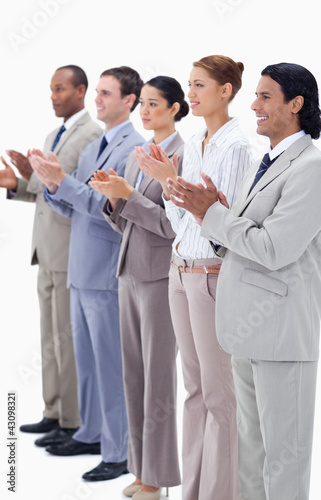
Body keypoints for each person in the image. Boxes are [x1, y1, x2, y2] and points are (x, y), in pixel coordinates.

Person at [164, 62, 321, 500]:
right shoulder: (270, 161)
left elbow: (275, 249)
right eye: (254, 95)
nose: (254, 105)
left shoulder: (314, 169)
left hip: (281, 338)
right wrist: (214, 217)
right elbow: (239, 241)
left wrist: (211, 214)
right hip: (245, 334)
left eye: (265, 97)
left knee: (284, 463)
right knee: (251, 460)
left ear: (295, 105)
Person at [135, 56, 253, 500]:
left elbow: (224, 223)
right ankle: (194, 491)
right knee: (194, 392)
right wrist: (169, 184)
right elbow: (180, 219)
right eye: (189, 85)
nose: (192, 93)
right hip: (179, 273)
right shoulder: (198, 143)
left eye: (200, 85)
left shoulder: (238, 146)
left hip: (212, 275)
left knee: (221, 398)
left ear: (226, 90)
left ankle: (220, 494)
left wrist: (171, 182)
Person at [29, 66, 145, 482]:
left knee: (111, 366)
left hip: (106, 273)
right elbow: (75, 202)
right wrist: (52, 183)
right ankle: (91, 433)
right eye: (96, 92)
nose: (98, 100)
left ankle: (119, 452)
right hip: (80, 269)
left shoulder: (135, 149)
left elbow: (107, 209)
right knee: (88, 364)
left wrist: (67, 185)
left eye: (107, 94)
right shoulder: (97, 144)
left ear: (129, 101)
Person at [89, 75, 188, 500]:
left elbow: (171, 225)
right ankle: (139, 470)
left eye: (154, 104)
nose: (145, 111)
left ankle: (158, 477)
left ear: (175, 109)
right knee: (133, 375)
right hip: (128, 274)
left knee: (158, 379)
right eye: (142, 103)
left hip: (161, 279)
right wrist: (114, 198)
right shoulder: (136, 154)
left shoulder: (183, 155)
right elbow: (125, 220)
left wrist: (129, 194)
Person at [0, 65, 102, 445]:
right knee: (49, 338)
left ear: (80, 91)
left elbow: (73, 192)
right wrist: (21, 181)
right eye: (51, 89)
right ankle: (53, 411)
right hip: (44, 249)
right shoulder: (53, 134)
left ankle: (73, 421)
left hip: (69, 250)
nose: (53, 96)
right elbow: (50, 189)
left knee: (67, 339)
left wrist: (40, 181)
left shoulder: (92, 135)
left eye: (60, 89)